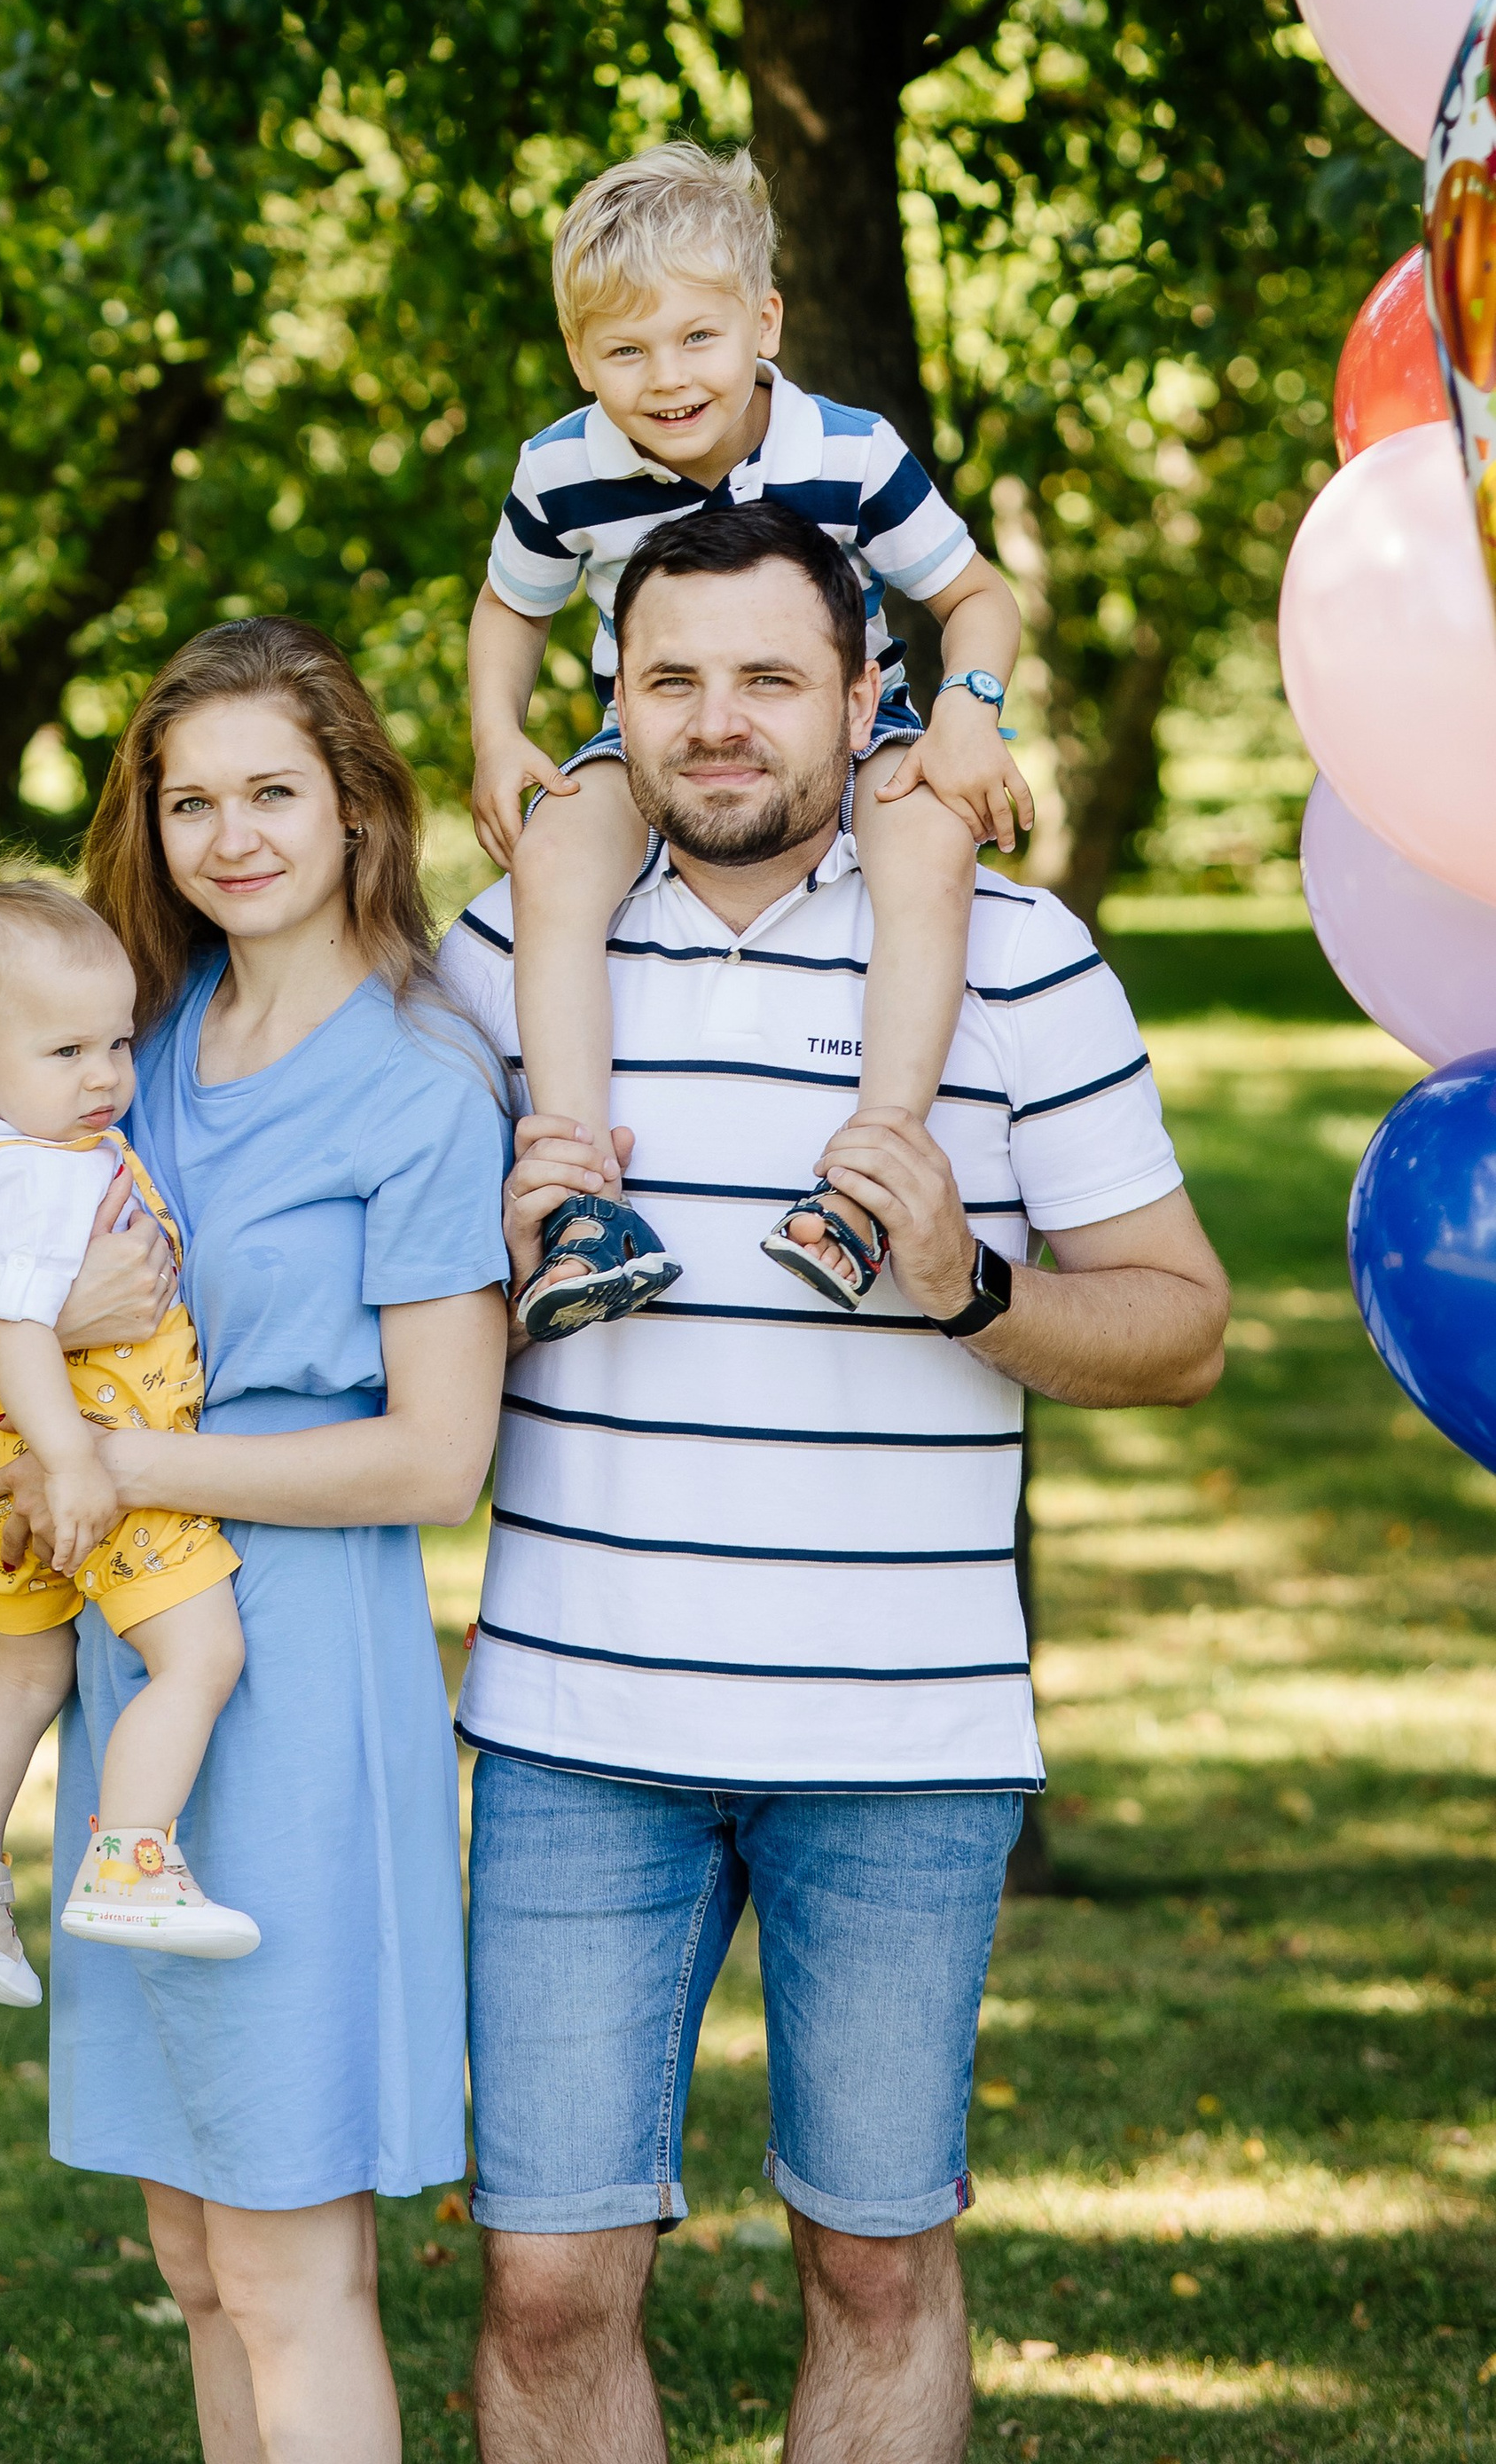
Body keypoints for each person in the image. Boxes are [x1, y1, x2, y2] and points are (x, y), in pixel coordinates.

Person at [439, 498, 1228, 2464]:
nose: (716, 721)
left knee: (872, 2261)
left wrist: (967, 1287)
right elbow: (351, 1286)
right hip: (568, 1720)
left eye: (768, 676)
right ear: (607, 697)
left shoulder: (1013, 954)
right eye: (668, 678)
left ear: (865, 694)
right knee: (542, 2275)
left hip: (899, 1732)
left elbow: (1183, 1324)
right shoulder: (495, 956)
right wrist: (489, 1260)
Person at [0, 616, 511, 2464]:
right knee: (192, 2241)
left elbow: (433, 1455)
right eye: (187, 800)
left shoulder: (415, 1081)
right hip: (127, 1669)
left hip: (295, 1681)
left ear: (354, 805)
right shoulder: (123, 1047)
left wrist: (122, 1463)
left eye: (271, 792)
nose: (229, 835)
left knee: (287, 2247)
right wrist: (44, 1354)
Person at [466, 138, 1033, 1335]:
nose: (665, 378)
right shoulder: (562, 470)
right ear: (581, 356)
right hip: (652, 730)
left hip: (847, 724)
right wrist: (494, 733)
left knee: (928, 850)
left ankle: (865, 1185)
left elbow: (977, 595)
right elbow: (511, 607)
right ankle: (580, 1207)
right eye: (624, 350)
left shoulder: (850, 451)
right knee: (557, 861)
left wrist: (972, 711)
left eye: (695, 338)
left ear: (763, 320)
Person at [0, 846, 256, 2007]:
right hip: (83, 1446)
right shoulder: (47, 1174)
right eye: (68, 1051)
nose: (104, 1079)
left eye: (116, 1043)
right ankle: (134, 1853)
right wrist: (76, 1461)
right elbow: (10, 1320)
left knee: (23, 1668)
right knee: (200, 1652)